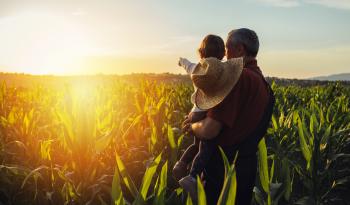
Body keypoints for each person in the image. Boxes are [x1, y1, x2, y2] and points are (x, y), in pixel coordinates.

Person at [182, 28, 275, 205]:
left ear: (240, 49)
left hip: (222, 172)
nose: (224, 54)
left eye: (227, 48)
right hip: (245, 170)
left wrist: (191, 126)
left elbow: (209, 130)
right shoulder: (262, 83)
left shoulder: (238, 78)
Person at [173, 34, 244, 201]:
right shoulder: (221, 71)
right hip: (205, 112)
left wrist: (181, 60)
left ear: (201, 52)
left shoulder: (197, 70)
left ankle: (181, 164)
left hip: (194, 112)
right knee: (206, 148)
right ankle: (192, 177)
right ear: (223, 54)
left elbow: (187, 64)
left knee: (195, 145)